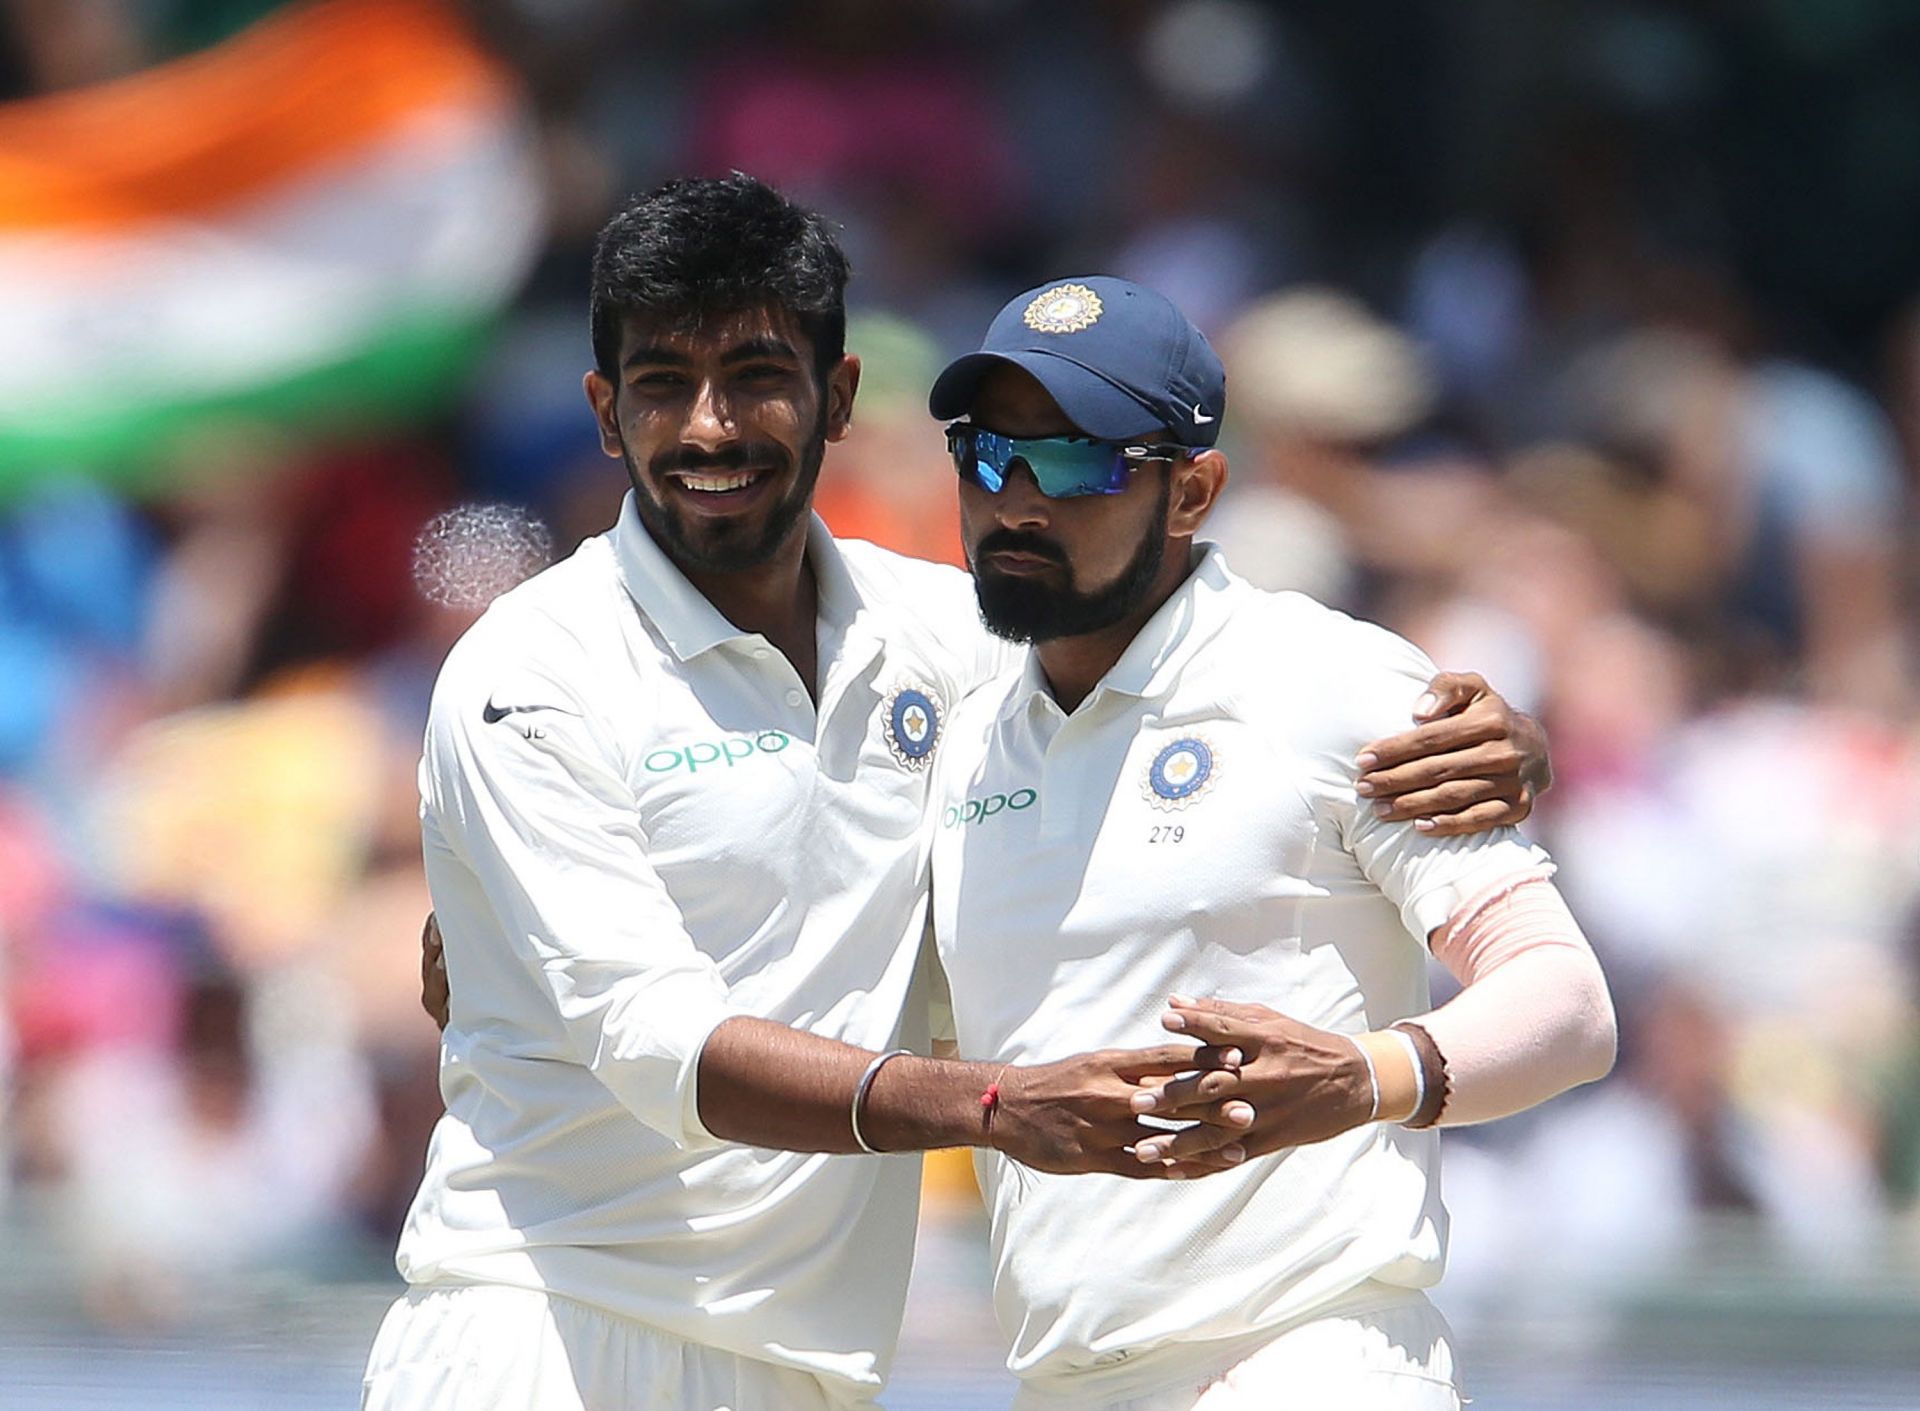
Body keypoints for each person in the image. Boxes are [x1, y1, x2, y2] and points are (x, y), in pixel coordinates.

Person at [377, 175, 1550, 1411]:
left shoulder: (944, 633)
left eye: (759, 376)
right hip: (546, 1333)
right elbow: (651, 1043)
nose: (710, 429)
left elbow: (1184, 658)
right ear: (605, 416)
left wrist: (1484, 731)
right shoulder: (528, 670)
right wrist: (991, 1105)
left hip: (810, 1370)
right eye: (663, 384)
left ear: (837, 400)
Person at [918, 277, 1617, 1409]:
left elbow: (1567, 1003)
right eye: (987, 454)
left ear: (1193, 490)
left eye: (1081, 460)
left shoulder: (1330, 681)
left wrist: (1364, 1077)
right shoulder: (966, 735)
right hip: (1067, 1381)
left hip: (1313, 1359)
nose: (1017, 500)